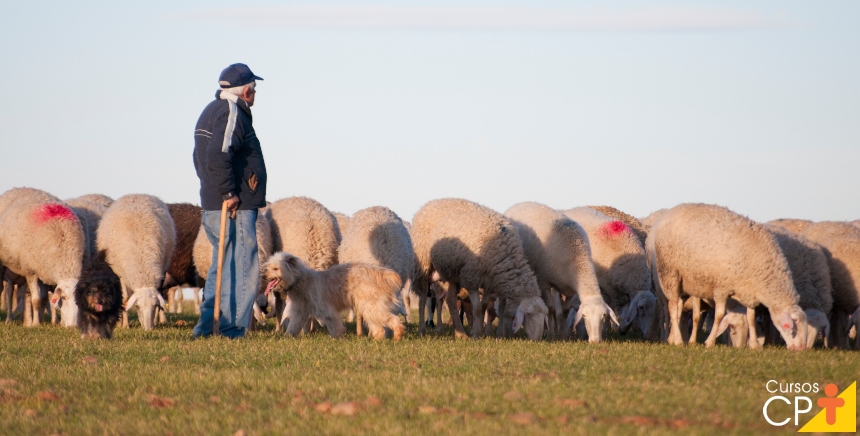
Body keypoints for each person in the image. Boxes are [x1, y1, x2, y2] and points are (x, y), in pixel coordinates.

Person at [192, 63, 267, 338]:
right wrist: (228, 192)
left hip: (215, 202)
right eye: (254, 88)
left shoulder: (210, 111)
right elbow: (218, 154)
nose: (256, 92)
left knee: (221, 264)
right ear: (246, 90)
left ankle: (207, 327)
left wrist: (212, 190)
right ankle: (232, 328)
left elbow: (200, 159)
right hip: (234, 206)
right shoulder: (232, 112)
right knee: (243, 265)